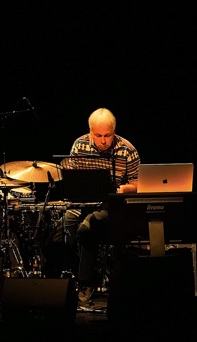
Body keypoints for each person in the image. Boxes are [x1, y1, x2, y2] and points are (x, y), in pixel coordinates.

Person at [59, 107, 140, 306]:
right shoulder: (79, 145)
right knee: (61, 231)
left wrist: (122, 189)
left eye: (107, 135)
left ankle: (86, 282)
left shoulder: (127, 149)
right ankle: (63, 283)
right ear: (90, 132)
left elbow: (139, 183)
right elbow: (71, 177)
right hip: (81, 204)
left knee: (88, 227)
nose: (103, 141)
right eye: (98, 136)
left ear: (114, 131)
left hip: (110, 207)